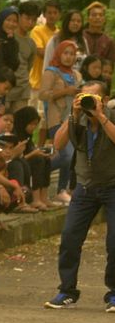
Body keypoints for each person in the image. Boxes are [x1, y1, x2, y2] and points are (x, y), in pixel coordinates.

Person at [45, 81, 115, 310]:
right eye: (85, 96)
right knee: (70, 237)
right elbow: (58, 143)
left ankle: (114, 293)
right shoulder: (78, 118)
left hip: (112, 185)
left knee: (114, 242)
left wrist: (101, 116)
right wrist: (73, 114)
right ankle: (67, 291)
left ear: (104, 100)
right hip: (84, 187)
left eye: (94, 97)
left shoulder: (111, 115)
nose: (88, 101)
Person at [40, 40, 82, 205]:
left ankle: (60, 190)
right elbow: (42, 94)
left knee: (71, 157)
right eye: (65, 53)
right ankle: (41, 170)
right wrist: (65, 91)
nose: (68, 57)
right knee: (67, 155)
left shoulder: (76, 75)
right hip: (56, 118)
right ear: (58, 53)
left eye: (72, 54)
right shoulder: (51, 72)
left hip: (73, 119)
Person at [12, 106, 55, 210]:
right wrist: (33, 154)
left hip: (26, 162)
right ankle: (35, 199)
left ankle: (43, 197)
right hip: (19, 165)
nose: (33, 127)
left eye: (36, 124)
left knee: (46, 159)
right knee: (37, 160)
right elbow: (15, 158)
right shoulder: (15, 136)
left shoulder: (27, 136)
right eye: (31, 124)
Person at [5, 1, 40, 112]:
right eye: (27, 18)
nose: (30, 23)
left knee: (19, 125)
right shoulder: (7, 36)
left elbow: (28, 67)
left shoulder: (31, 43)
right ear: (19, 16)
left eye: (34, 20)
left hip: (22, 90)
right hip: (5, 88)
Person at [30, 1, 60, 101]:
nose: (52, 15)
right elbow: (40, 52)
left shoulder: (60, 34)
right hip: (37, 83)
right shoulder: (37, 30)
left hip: (54, 85)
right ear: (44, 14)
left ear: (59, 15)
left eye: (55, 13)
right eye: (49, 12)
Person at [0, 6, 20, 75]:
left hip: (5, 81)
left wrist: (11, 42)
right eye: (8, 20)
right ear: (1, 20)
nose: (11, 24)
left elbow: (14, 66)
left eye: (15, 21)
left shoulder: (14, 42)